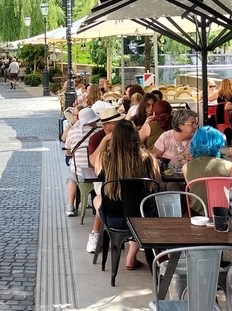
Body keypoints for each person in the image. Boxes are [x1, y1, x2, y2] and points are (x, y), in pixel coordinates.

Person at [87, 118, 160, 264]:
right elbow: (157, 182)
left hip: (114, 218)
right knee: (136, 202)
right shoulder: (149, 158)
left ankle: (98, 235)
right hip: (144, 216)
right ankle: (137, 254)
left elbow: (96, 169)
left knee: (97, 198)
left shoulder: (105, 157)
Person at [183, 126, 232, 214]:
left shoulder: (186, 167)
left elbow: (193, 189)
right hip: (223, 213)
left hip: (197, 214)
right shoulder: (228, 165)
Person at [63, 106, 101, 216]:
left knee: (72, 177)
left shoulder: (73, 132)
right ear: (92, 121)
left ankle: (70, 205)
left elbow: (68, 147)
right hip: (96, 172)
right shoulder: (98, 133)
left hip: (80, 173)